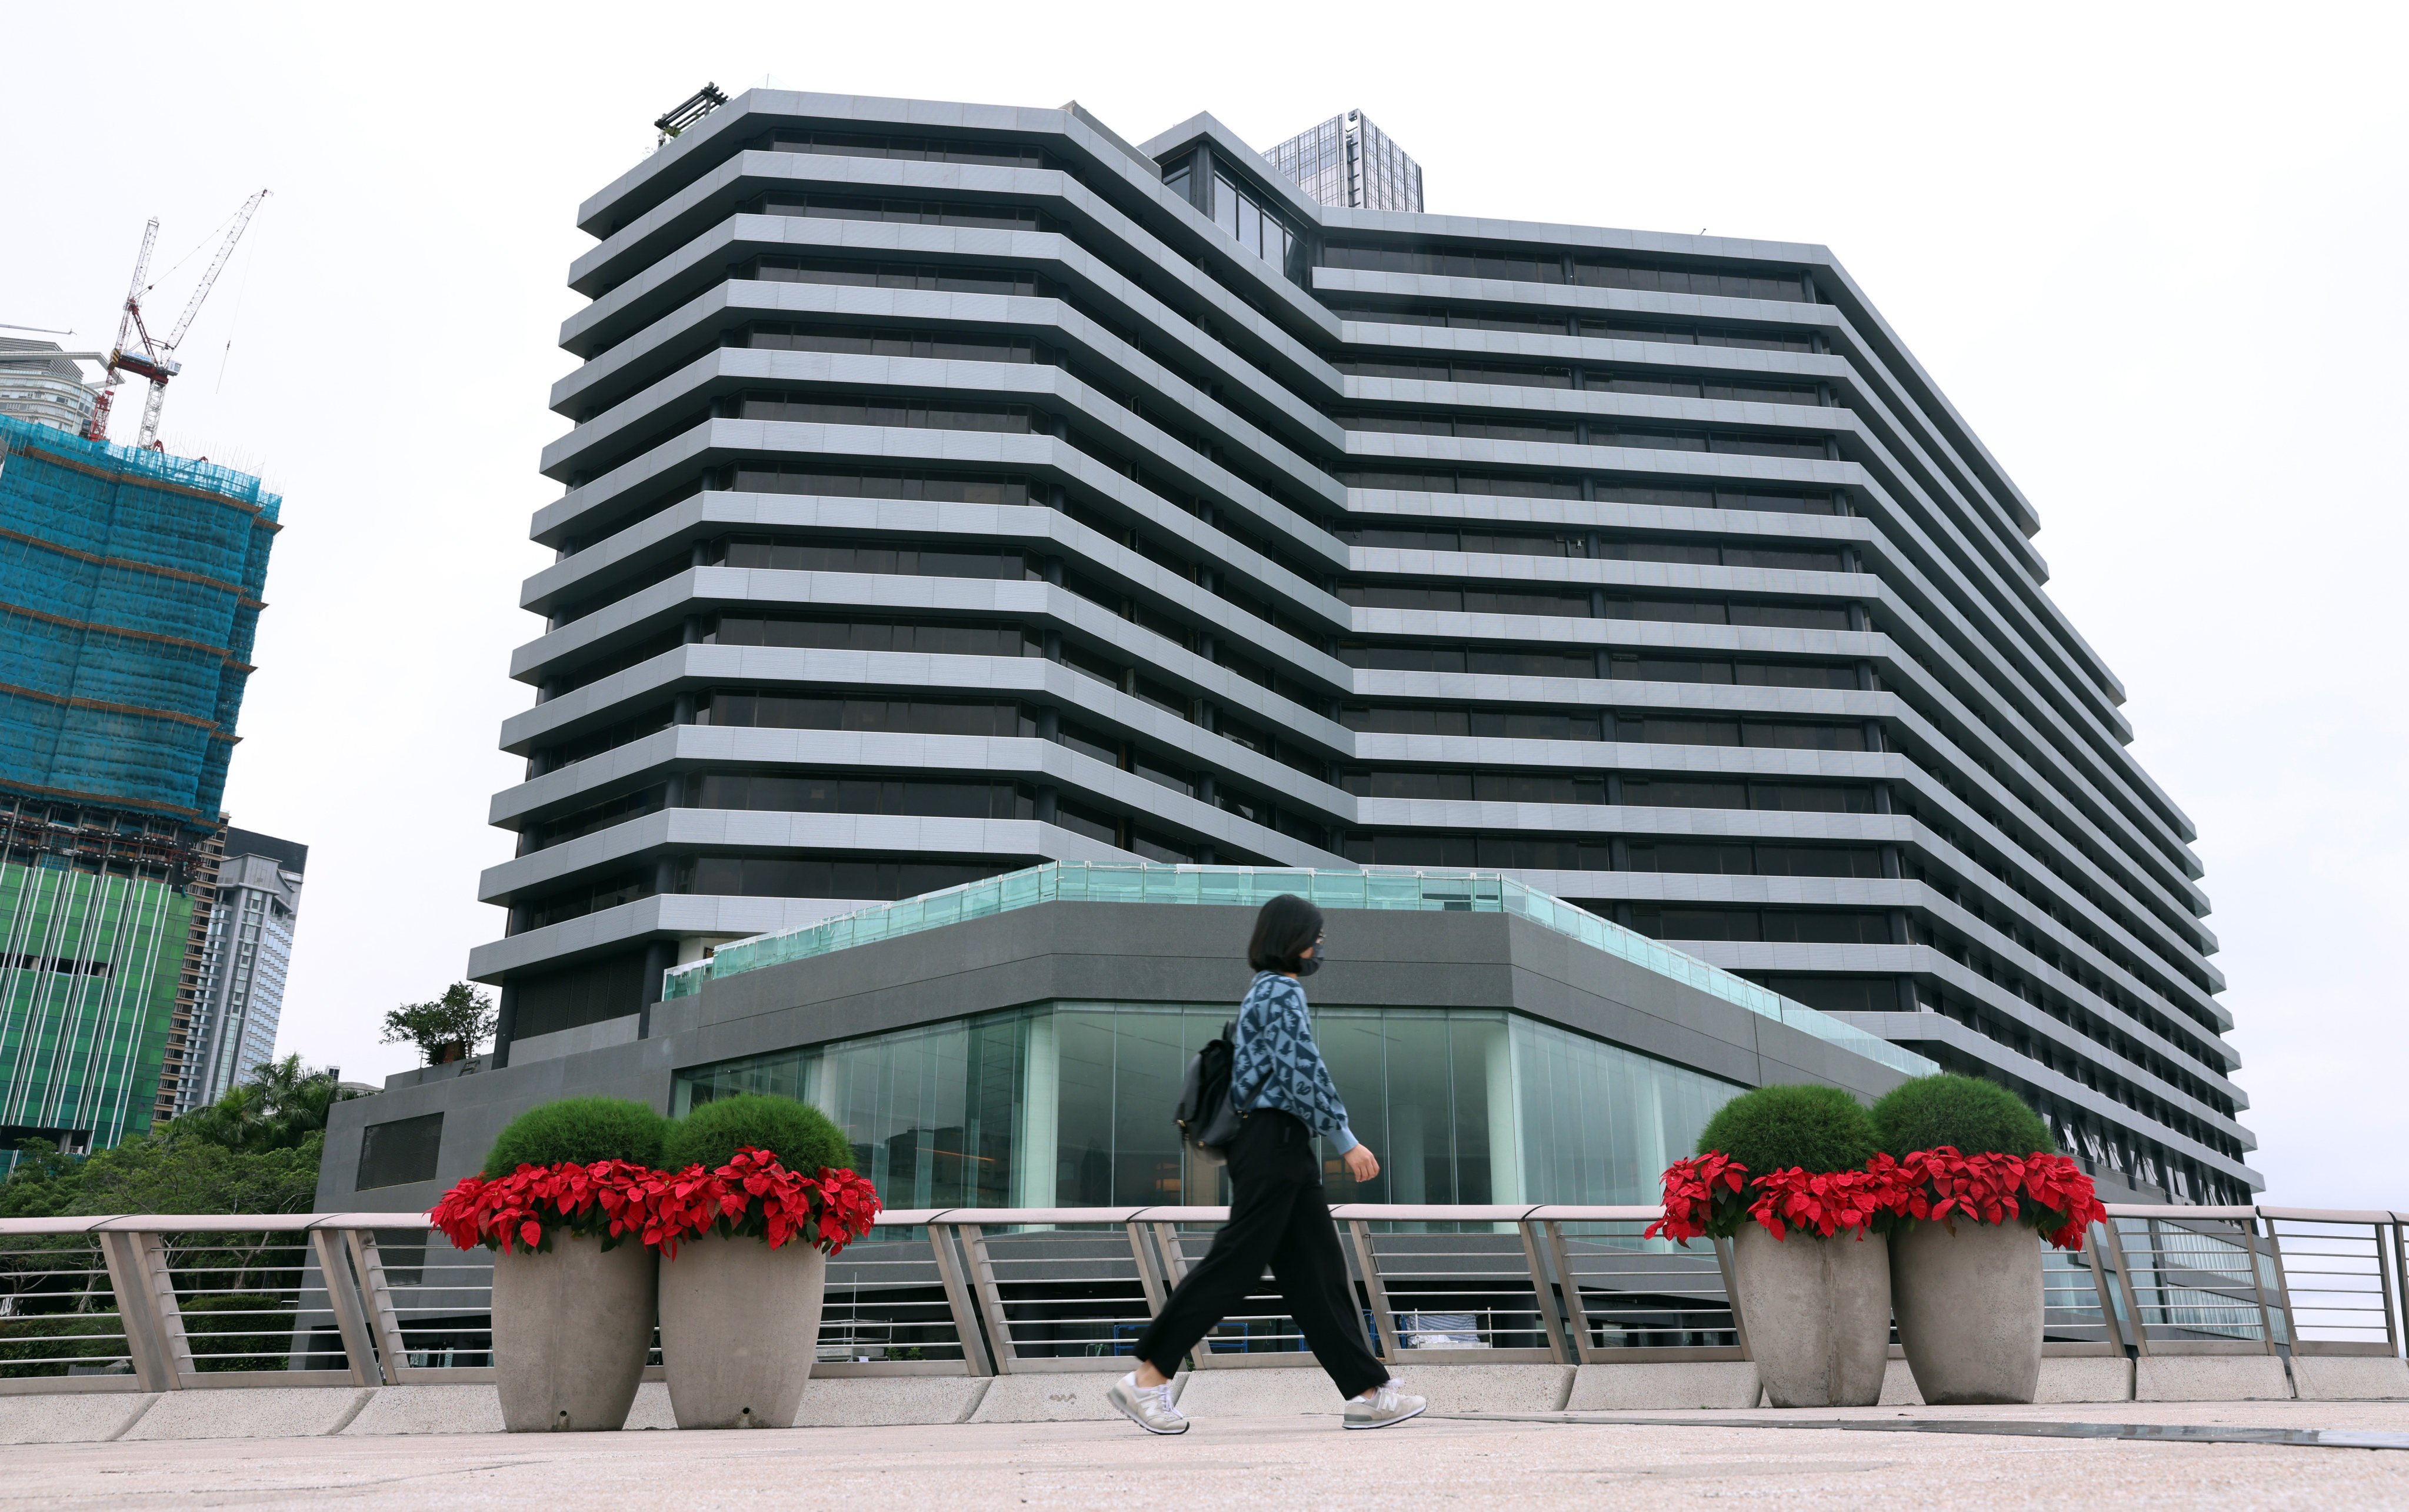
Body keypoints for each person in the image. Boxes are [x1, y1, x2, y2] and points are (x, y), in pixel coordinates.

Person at [1107, 894, 1426, 1434]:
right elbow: (1301, 1067)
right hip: (1271, 1143)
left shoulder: (1268, 991)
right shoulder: (1279, 989)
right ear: (1292, 940)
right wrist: (1345, 1138)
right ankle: (1148, 1380)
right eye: (1314, 938)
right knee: (1235, 1264)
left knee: (1318, 1274)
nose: (1318, 948)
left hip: (1281, 1145)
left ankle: (1368, 1392)